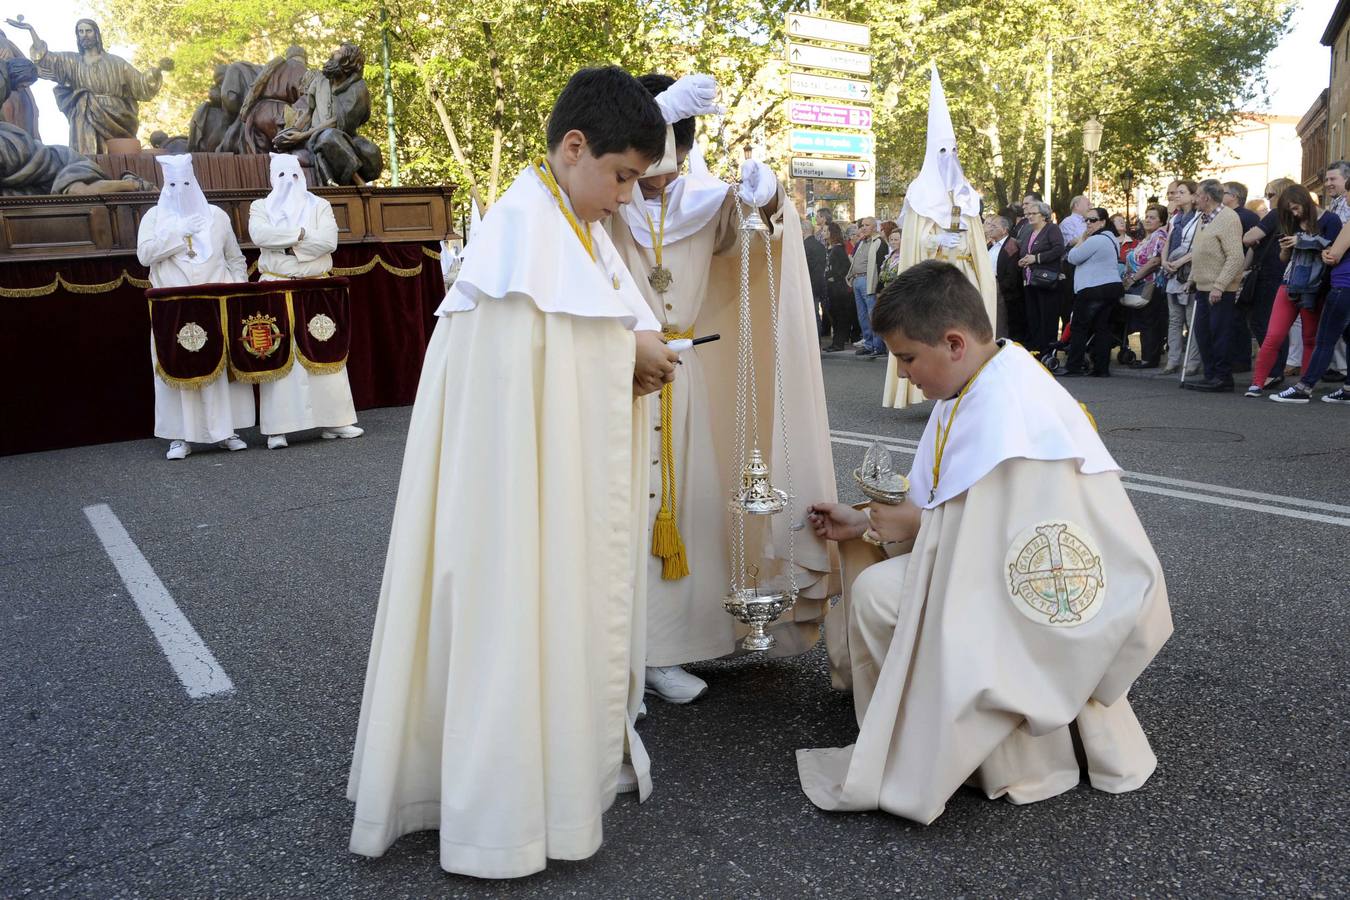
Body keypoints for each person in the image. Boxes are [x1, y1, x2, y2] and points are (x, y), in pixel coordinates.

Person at [347, 66, 678, 879]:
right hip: (511, 503)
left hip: (547, 486)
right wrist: (623, 353)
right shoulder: (519, 233)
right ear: (574, 148)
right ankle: (502, 813)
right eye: (623, 176)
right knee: (510, 615)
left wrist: (629, 357)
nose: (628, 198)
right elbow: (519, 382)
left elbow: (575, 350)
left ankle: (562, 770)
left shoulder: (568, 223)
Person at [801, 260, 1171, 823]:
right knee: (882, 589)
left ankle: (948, 748)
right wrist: (866, 523)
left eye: (906, 359)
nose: (903, 376)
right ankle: (931, 734)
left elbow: (1000, 541)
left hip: (1031, 594)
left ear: (952, 342)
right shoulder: (982, 377)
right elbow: (957, 506)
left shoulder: (1009, 409)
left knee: (879, 594)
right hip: (995, 568)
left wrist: (906, 526)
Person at [608, 73, 834, 704]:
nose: (653, 181)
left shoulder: (705, 201)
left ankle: (671, 646)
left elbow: (754, 251)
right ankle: (615, 650)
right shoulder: (600, 200)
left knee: (689, 512)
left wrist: (769, 203)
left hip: (682, 385)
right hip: (611, 374)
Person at [882, 63, 998, 407]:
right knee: (935, 335)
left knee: (967, 334)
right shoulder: (920, 192)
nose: (949, 159)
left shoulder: (966, 193)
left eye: (953, 151)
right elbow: (914, 240)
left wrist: (963, 240)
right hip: (934, 278)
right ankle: (936, 386)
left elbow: (976, 239)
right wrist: (936, 242)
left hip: (967, 275)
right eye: (941, 152)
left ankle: (972, 383)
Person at [136, 155, 252, 460]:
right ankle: (179, 437)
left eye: (185, 183)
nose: (180, 190)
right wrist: (178, 233)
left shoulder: (217, 216)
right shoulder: (153, 218)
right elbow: (145, 255)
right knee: (176, 367)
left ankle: (227, 430)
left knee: (218, 368)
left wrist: (236, 287)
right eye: (173, 184)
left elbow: (235, 258)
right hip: (172, 307)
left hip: (215, 303)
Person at [248, 153, 364, 448]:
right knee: (278, 352)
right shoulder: (260, 207)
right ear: (273, 178)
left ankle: (336, 421)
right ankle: (278, 427)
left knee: (325, 349)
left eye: (295, 175)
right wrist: (301, 234)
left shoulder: (320, 204)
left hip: (316, 287)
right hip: (276, 286)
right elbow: (260, 235)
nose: (289, 182)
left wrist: (288, 247)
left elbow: (329, 241)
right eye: (282, 176)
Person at [4, 17, 165, 154]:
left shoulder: (117, 63)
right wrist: (32, 31)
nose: (84, 35)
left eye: (88, 31)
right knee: (86, 154)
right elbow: (47, 59)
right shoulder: (72, 61)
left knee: (119, 154)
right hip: (84, 113)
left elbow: (140, 84)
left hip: (116, 116)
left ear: (96, 34)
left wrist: (156, 71)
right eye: (80, 32)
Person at [1249, 185, 1341, 400]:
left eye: (1296, 208)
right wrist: (1285, 249)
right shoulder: (1292, 221)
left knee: (1309, 338)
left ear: (1306, 202)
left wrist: (1303, 241)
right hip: (1290, 282)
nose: (1294, 213)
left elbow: (1334, 251)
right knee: (1273, 336)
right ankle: (1257, 383)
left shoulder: (1331, 220)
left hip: (1315, 287)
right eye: (1290, 210)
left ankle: (1303, 386)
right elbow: (1285, 260)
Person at [273, 42, 383, 186]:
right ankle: (359, 183)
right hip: (315, 137)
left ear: (347, 62)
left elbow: (338, 122)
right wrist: (293, 132)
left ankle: (347, 177)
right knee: (327, 137)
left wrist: (301, 136)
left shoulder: (358, 88)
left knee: (370, 151)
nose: (332, 53)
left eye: (338, 52)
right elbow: (309, 112)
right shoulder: (321, 79)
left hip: (342, 137)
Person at [1180, 179, 1244, 392]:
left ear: (1206, 197)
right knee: (1202, 333)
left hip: (1220, 289)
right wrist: (1191, 280)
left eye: (1197, 194)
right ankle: (1210, 375)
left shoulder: (1228, 218)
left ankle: (1223, 377)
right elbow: (1200, 254)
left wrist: (1219, 285)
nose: (1194, 198)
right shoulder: (1203, 218)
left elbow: (1235, 257)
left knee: (1219, 333)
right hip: (1202, 286)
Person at [1241, 178, 1298, 388]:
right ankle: (1274, 370)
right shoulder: (1290, 216)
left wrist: (1251, 235)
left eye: (1271, 194)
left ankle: (1273, 371)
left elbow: (1249, 238)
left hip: (1269, 275)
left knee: (1264, 324)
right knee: (1271, 325)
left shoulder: (1275, 215)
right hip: (1278, 273)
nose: (1268, 199)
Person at [1062, 207, 1123, 377]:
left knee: (1079, 327)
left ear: (1103, 222)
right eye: (1086, 220)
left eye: (1093, 220)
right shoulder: (1112, 240)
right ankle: (1101, 368)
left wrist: (1082, 238)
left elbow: (1073, 257)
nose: (1088, 223)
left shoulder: (1096, 240)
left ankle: (1074, 366)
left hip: (1093, 288)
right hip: (1110, 287)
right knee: (1102, 328)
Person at [1160, 180, 1201, 376]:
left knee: (1190, 318)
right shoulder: (1175, 218)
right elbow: (1167, 240)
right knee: (1174, 318)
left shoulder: (1200, 218)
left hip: (1189, 271)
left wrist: (1179, 262)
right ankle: (1173, 360)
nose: (1176, 195)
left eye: (1181, 192)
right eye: (1175, 192)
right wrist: (1164, 261)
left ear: (1194, 196)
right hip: (1172, 271)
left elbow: (1198, 247)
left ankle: (1191, 362)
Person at [1123, 204, 1171, 368]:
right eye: (1147, 216)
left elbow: (1155, 260)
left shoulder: (1160, 236)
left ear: (1161, 221)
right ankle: (1147, 357)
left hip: (1151, 284)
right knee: (1145, 322)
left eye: (1153, 217)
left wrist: (1134, 278)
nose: (1148, 220)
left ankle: (1149, 359)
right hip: (1141, 282)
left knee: (1150, 323)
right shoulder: (1147, 237)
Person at [1017, 200, 1065, 354]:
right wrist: (1023, 260)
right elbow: (1026, 253)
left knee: (1047, 317)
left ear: (1044, 215)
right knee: (1034, 318)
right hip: (1030, 281)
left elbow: (1059, 249)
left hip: (1046, 281)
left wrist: (1036, 258)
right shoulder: (1030, 233)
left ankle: (1047, 351)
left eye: (1033, 214)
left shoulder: (1052, 229)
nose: (1029, 217)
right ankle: (1036, 350)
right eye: (1027, 214)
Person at [848, 217, 888, 357]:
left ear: (874, 227)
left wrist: (879, 288)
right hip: (858, 279)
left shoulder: (879, 243)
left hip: (869, 280)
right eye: (862, 225)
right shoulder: (861, 242)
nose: (863, 227)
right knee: (863, 315)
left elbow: (881, 266)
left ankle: (878, 346)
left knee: (872, 315)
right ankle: (869, 344)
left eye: (867, 225)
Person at [986, 214, 1023, 341]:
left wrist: (1000, 288)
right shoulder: (990, 245)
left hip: (1001, 291)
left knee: (1000, 323)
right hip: (988, 287)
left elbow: (1012, 273)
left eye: (994, 226)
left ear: (1004, 230)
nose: (990, 229)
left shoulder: (1011, 246)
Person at [823, 222, 859, 351]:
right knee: (834, 315)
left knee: (839, 316)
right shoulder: (830, 248)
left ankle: (839, 343)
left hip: (839, 288)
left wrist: (835, 276)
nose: (823, 233)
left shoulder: (838, 248)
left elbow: (845, 267)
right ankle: (836, 342)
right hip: (831, 287)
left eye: (825, 231)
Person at [803, 217, 829, 336]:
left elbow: (804, 267)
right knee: (816, 314)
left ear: (802, 231)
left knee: (811, 314)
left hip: (808, 284)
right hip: (820, 282)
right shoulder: (820, 246)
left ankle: (814, 339)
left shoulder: (804, 246)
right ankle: (817, 339)